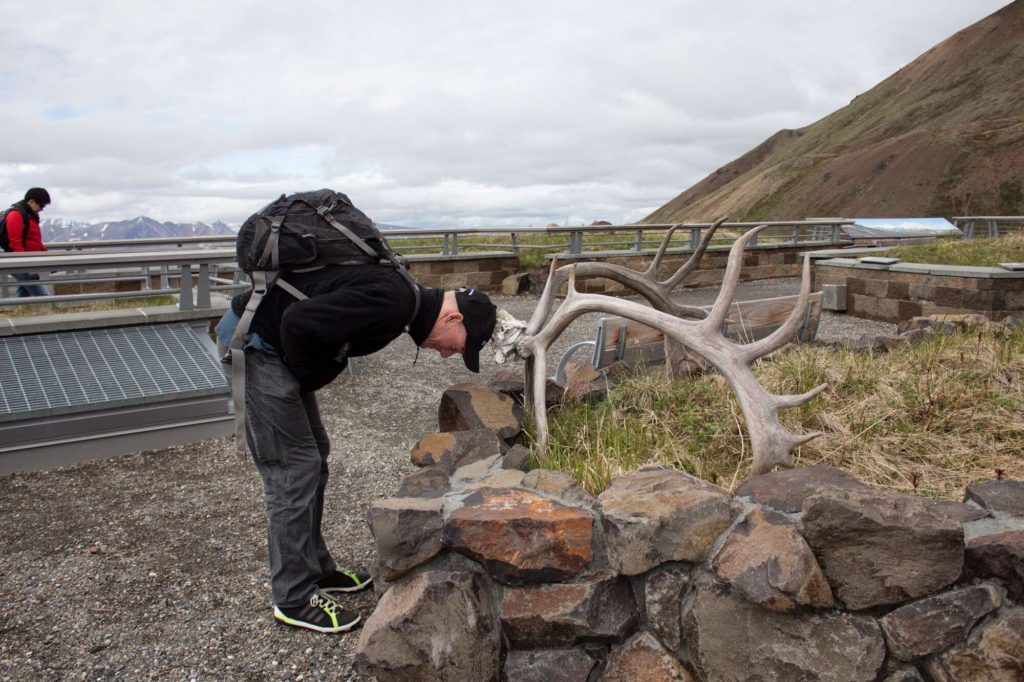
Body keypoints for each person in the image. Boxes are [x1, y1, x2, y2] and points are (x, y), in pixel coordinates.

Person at [216, 264, 497, 634]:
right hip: (256, 346)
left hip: (271, 347)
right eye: (457, 345)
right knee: (294, 467)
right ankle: (293, 597)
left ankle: (314, 567)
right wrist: (313, 376)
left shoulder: (401, 299)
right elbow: (296, 324)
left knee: (314, 452)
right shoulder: (394, 305)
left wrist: (305, 375)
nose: (447, 355)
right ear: (453, 316)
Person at [3, 188, 51, 297]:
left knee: (24, 292)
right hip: (19, 262)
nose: (41, 209)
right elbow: (15, 243)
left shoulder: (30, 215)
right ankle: (51, 311)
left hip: (27, 261)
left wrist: (45, 254)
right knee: (42, 294)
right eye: (41, 205)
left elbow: (34, 240)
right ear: (31, 201)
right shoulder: (16, 215)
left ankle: (20, 311)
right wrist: (25, 263)